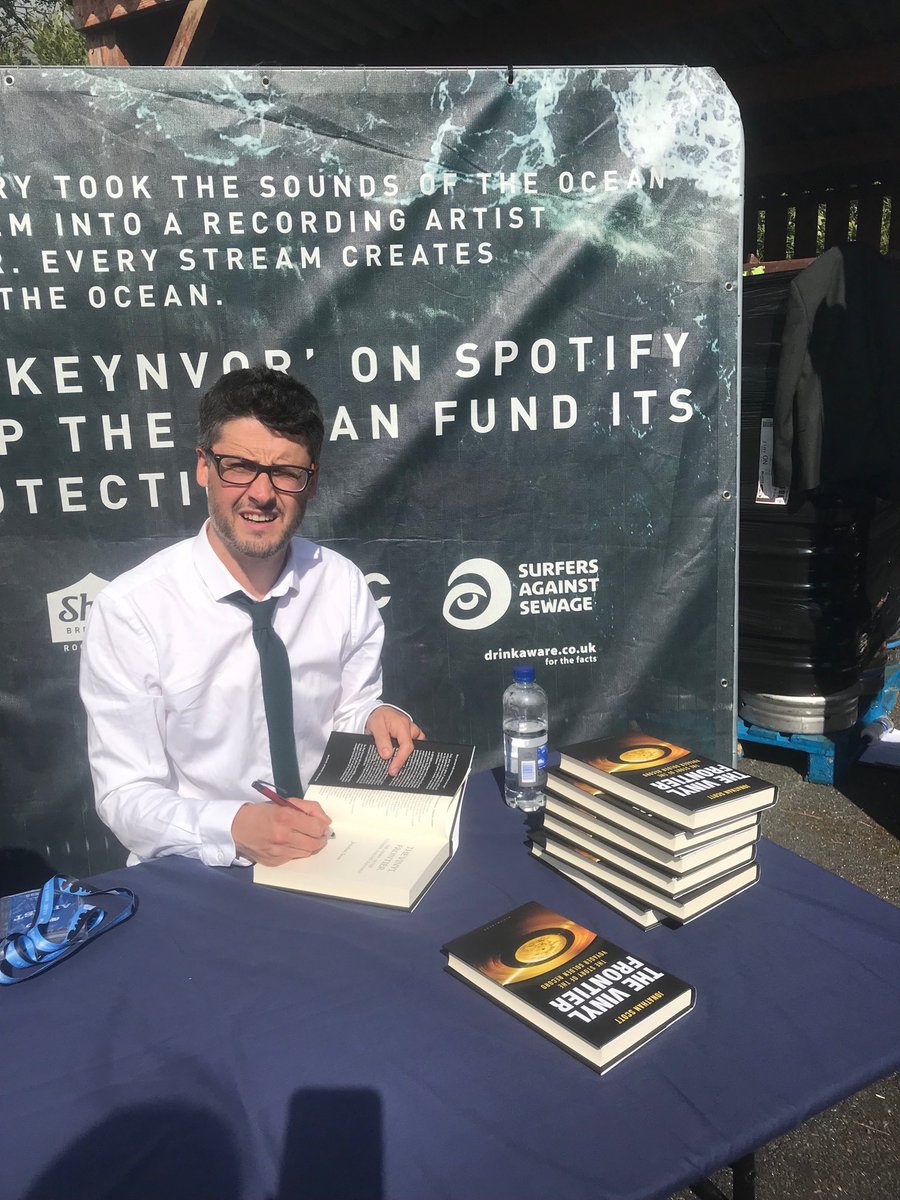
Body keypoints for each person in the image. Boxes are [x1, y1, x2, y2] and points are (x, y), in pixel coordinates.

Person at [80, 366, 423, 869]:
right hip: (197, 870)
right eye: (238, 466)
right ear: (203, 466)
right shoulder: (133, 610)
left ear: (312, 482)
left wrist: (374, 717)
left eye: (286, 472)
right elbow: (126, 796)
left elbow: (347, 713)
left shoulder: (341, 583)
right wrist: (234, 827)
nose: (261, 494)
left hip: (331, 852)